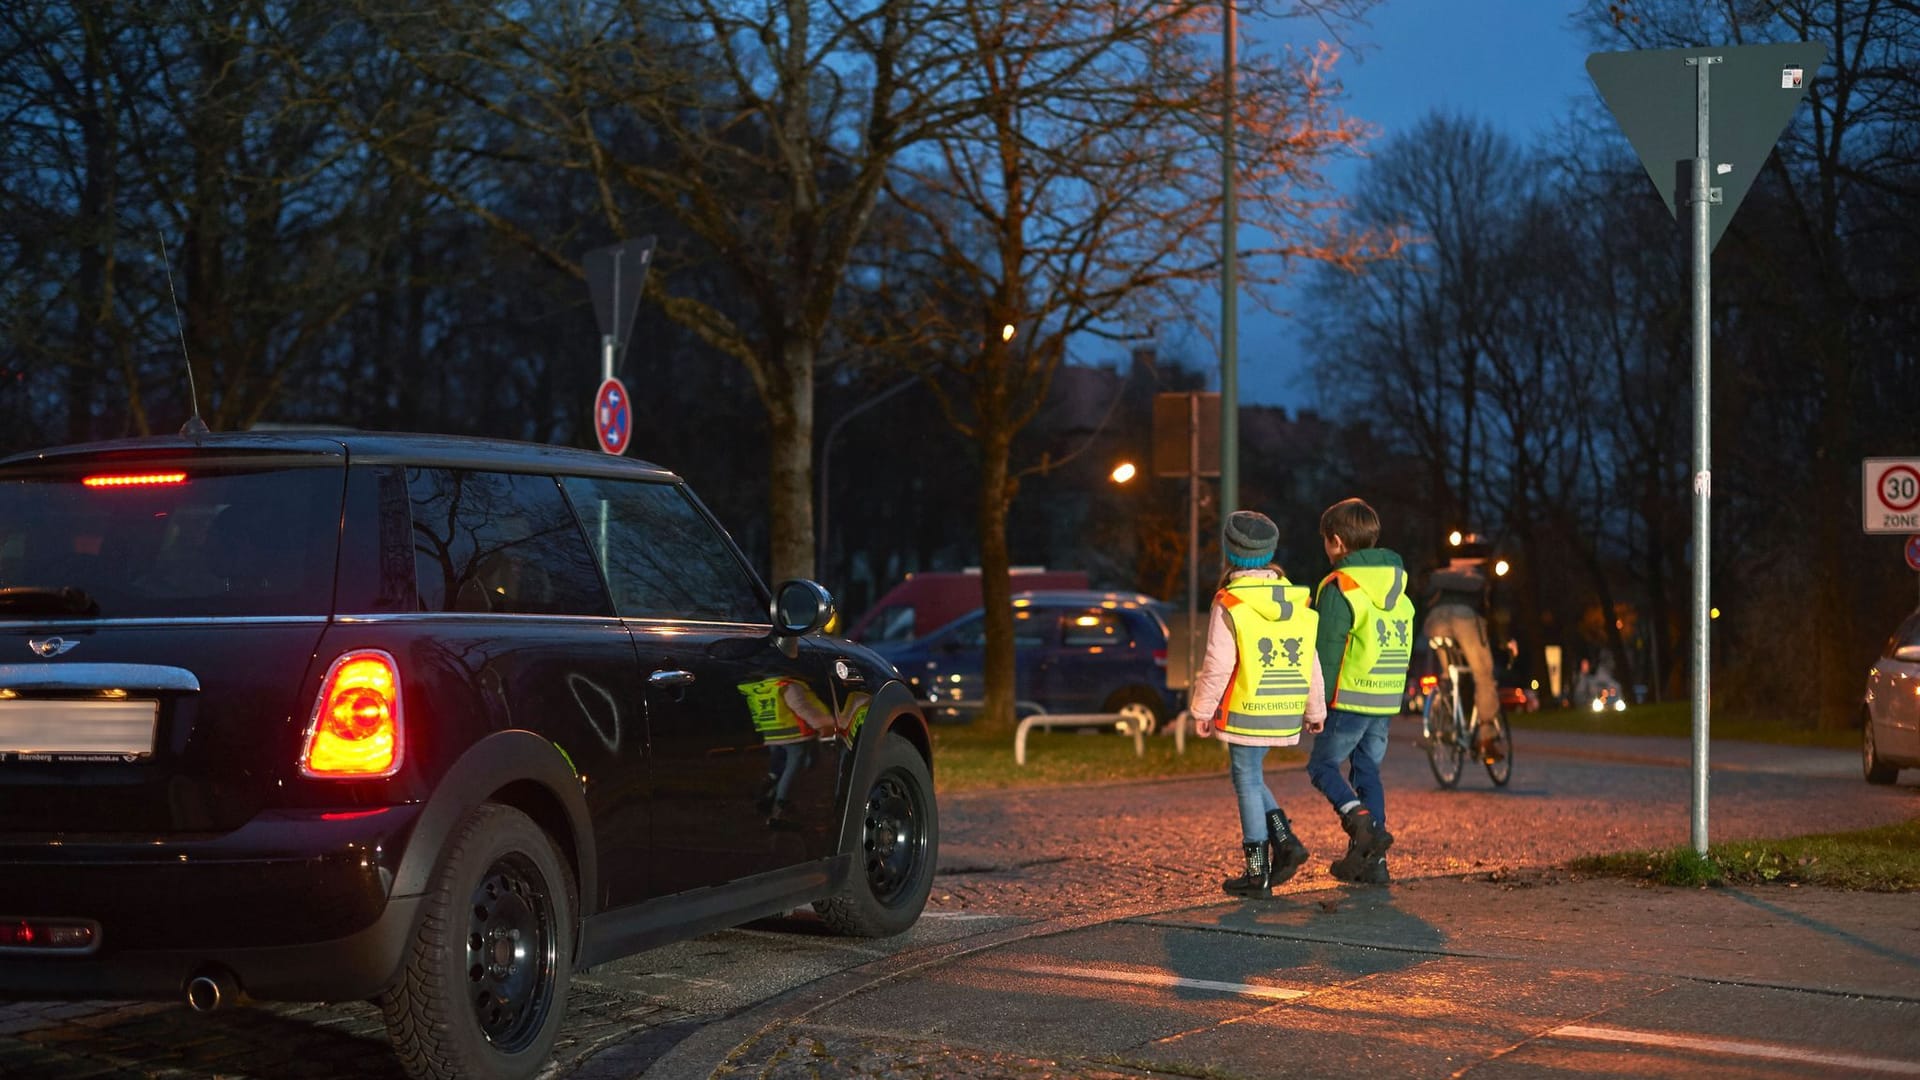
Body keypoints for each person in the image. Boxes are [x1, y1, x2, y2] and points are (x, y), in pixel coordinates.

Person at [1188, 510, 1326, 899]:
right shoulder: (1293, 597)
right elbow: (1309, 658)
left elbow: (1218, 663)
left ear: (1231, 551)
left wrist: (1202, 710)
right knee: (1251, 775)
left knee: (1246, 780)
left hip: (1247, 706)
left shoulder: (1230, 601)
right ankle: (1285, 842)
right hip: (1282, 708)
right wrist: (1315, 710)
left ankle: (1258, 872)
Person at [1307, 498, 1415, 885]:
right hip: (1385, 695)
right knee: (1368, 769)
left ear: (1335, 541)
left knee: (1321, 766)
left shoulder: (1340, 587)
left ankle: (1360, 823)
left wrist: (1315, 705)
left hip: (1349, 695)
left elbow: (1328, 652)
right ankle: (1372, 863)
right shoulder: (1397, 587)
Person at [1423, 557, 1503, 761]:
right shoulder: (1479, 577)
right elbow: (1489, 614)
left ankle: (1444, 724)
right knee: (1483, 675)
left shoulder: (1445, 575)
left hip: (1435, 619)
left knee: (1449, 674)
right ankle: (1487, 738)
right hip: (1464, 618)